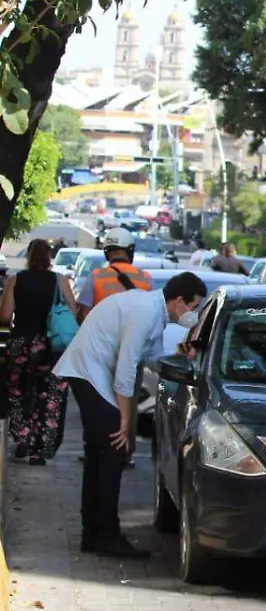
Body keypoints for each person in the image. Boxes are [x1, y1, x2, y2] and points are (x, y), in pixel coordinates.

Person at [53, 272, 208, 558]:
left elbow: (149, 358)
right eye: (194, 307)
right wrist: (126, 422)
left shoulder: (154, 312)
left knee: (101, 456)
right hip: (90, 373)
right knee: (114, 451)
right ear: (178, 302)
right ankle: (107, 534)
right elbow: (125, 373)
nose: (194, 314)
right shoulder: (146, 312)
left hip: (91, 372)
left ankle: (95, 533)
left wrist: (179, 354)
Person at [0, 239, 77, 464]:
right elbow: (72, 312)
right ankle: (39, 449)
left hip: (21, 343)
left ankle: (22, 435)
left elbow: (4, 316)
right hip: (51, 345)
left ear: (29, 256)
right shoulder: (59, 281)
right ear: (49, 257)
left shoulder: (16, 280)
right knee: (50, 394)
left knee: (15, 390)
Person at [77, 228, 150, 321]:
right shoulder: (145, 277)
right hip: (135, 333)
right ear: (130, 250)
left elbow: (84, 313)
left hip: (102, 334)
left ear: (106, 253)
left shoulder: (96, 276)